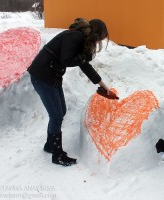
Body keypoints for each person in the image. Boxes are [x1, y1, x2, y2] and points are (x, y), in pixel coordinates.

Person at [28, 18, 116, 166]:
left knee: (60, 112)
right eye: (99, 39)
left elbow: (85, 66)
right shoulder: (75, 36)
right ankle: (57, 155)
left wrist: (103, 86)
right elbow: (66, 60)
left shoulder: (80, 39)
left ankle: (50, 145)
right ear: (95, 34)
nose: (98, 43)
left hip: (51, 76)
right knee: (56, 116)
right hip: (42, 76)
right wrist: (84, 57)